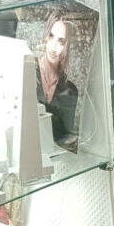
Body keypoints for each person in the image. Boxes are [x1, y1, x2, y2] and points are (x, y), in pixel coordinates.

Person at [34, 12, 78, 150]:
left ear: (67, 46)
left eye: (61, 41)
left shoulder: (69, 90)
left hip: (54, 157)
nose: (53, 47)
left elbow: (64, 137)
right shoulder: (29, 70)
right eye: (51, 36)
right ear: (45, 37)